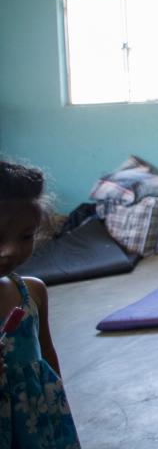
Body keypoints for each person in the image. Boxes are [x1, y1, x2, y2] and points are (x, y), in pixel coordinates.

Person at [0, 161, 80, 449]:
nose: (10, 250)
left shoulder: (32, 292)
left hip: (42, 424)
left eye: (25, 236)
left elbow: (46, 355)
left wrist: (60, 418)